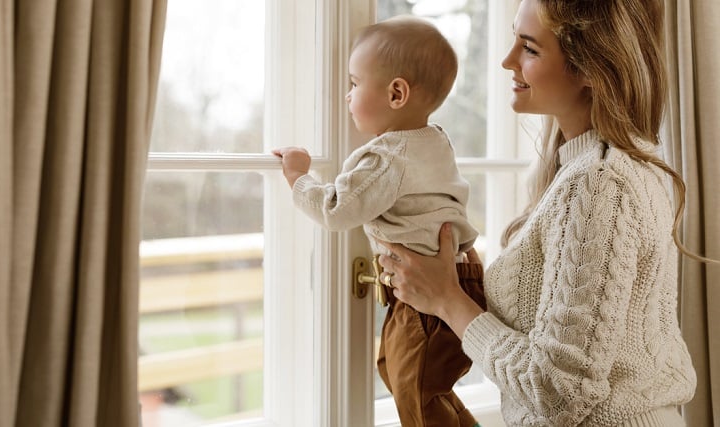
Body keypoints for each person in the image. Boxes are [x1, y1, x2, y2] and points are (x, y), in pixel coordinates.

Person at [377, 0, 702, 426]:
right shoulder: (597, 168)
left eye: (529, 49)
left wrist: (447, 300)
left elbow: (560, 392)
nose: (507, 60)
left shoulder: (600, 182)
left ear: (589, 68)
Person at [273, 16, 484, 427]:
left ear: (396, 93)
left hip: (431, 294)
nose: (347, 96)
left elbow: (337, 209)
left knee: (417, 392)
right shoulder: (434, 139)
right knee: (406, 378)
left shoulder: (387, 157)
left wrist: (299, 178)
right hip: (458, 278)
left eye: (354, 84)